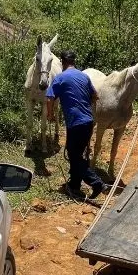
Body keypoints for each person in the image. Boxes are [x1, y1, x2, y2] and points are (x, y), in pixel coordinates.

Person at [45, 50, 109, 201]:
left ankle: (97, 183)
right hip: (88, 121)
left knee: (74, 155)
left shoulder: (60, 78)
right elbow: (95, 96)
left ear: (62, 62)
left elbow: (49, 98)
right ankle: (74, 185)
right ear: (73, 62)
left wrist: (50, 115)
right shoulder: (84, 76)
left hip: (75, 122)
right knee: (78, 154)